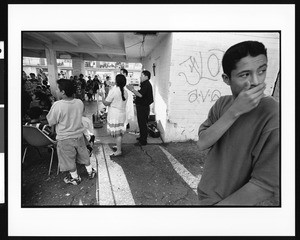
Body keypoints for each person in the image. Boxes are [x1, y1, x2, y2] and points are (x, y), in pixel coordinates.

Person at [196, 41, 279, 206]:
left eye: (262, 71)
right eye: (245, 75)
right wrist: (234, 111)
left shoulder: (273, 113)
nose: (256, 81)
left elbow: (265, 185)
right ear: (227, 79)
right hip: (206, 194)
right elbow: (202, 143)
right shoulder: (222, 104)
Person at [46, 79, 96, 185]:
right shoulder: (79, 102)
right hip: (79, 135)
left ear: (63, 92)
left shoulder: (57, 105)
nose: (56, 90)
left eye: (57, 88)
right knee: (84, 154)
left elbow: (51, 121)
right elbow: (81, 115)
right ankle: (90, 171)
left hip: (65, 138)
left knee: (69, 159)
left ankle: (75, 178)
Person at [99, 74, 128, 157]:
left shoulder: (114, 91)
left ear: (117, 81)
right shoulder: (125, 91)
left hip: (115, 115)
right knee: (119, 133)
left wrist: (102, 96)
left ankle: (118, 151)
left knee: (117, 134)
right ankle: (118, 147)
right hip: (122, 114)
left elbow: (105, 103)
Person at [126, 70, 153, 146]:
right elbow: (141, 94)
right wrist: (134, 90)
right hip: (142, 106)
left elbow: (140, 95)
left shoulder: (146, 84)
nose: (140, 77)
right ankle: (142, 137)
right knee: (141, 123)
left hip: (143, 107)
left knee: (143, 124)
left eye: (141, 75)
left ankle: (143, 141)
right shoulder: (145, 84)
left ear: (146, 76)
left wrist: (132, 89)